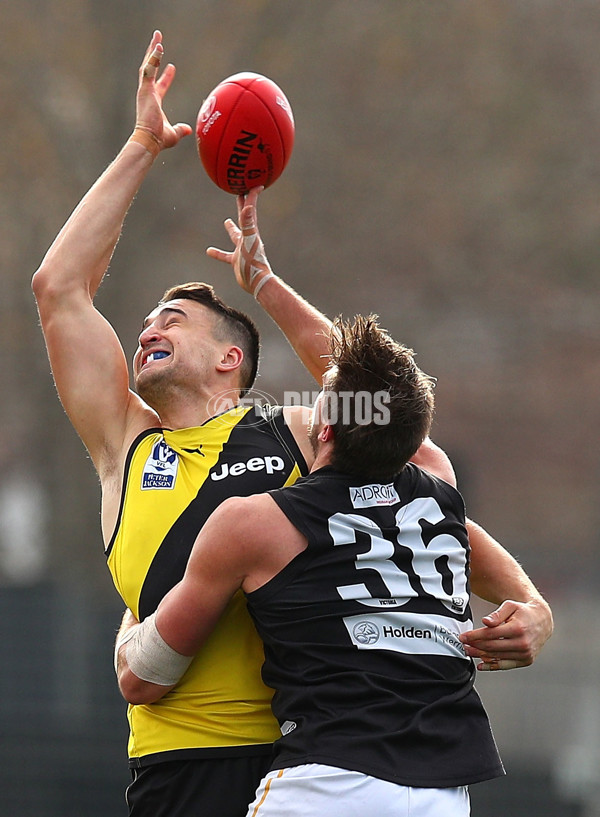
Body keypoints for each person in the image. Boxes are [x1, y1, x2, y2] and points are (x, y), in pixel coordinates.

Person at [33, 29, 552, 817]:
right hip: (179, 767)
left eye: (172, 315)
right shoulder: (125, 444)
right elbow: (59, 287)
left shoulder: (296, 432)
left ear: (230, 361)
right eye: (144, 318)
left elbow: (406, 437)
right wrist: (142, 143)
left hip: (304, 756)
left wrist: (529, 599)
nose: (147, 325)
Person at [117, 315, 514, 817]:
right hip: (446, 791)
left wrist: (133, 618)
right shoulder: (438, 493)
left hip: (328, 781)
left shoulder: (256, 522)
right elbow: (387, 406)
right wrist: (266, 284)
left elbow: (143, 679)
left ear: (322, 427)